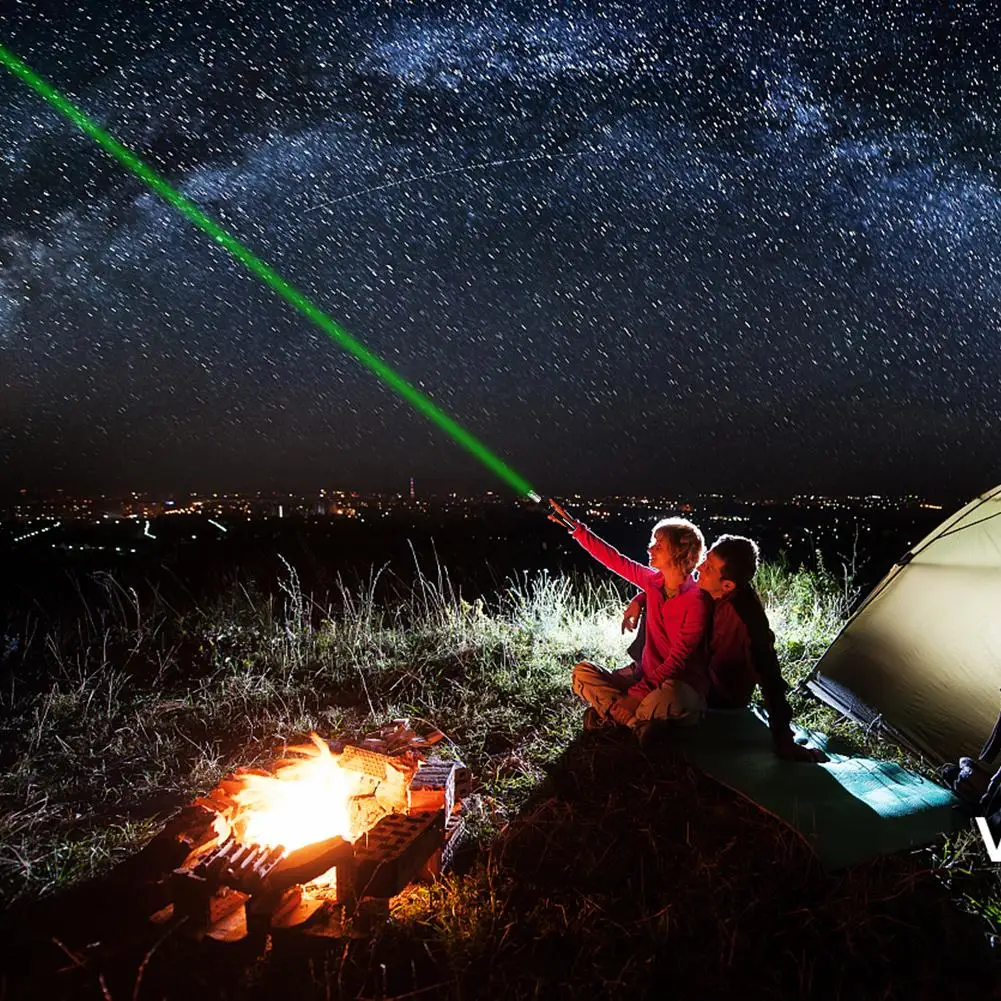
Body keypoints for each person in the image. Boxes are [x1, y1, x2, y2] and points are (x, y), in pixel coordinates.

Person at [621, 534, 826, 763]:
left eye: (708, 567)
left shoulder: (746, 619)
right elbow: (666, 587)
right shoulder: (706, 589)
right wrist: (640, 600)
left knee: (668, 696)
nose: (700, 567)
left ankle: (645, 719)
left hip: (716, 694)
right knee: (663, 609)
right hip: (686, 673)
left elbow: (770, 675)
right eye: (705, 560)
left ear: (727, 585)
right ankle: (641, 683)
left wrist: (784, 739)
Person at [547, 499, 713, 736]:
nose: (650, 549)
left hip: (678, 683)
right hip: (644, 678)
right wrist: (575, 527)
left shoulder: (697, 601)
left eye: (659, 545)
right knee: (583, 672)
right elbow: (615, 560)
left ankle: (614, 713)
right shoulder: (652, 583)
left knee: (672, 697)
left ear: (679, 552)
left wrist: (635, 695)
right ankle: (635, 723)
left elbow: (678, 661)